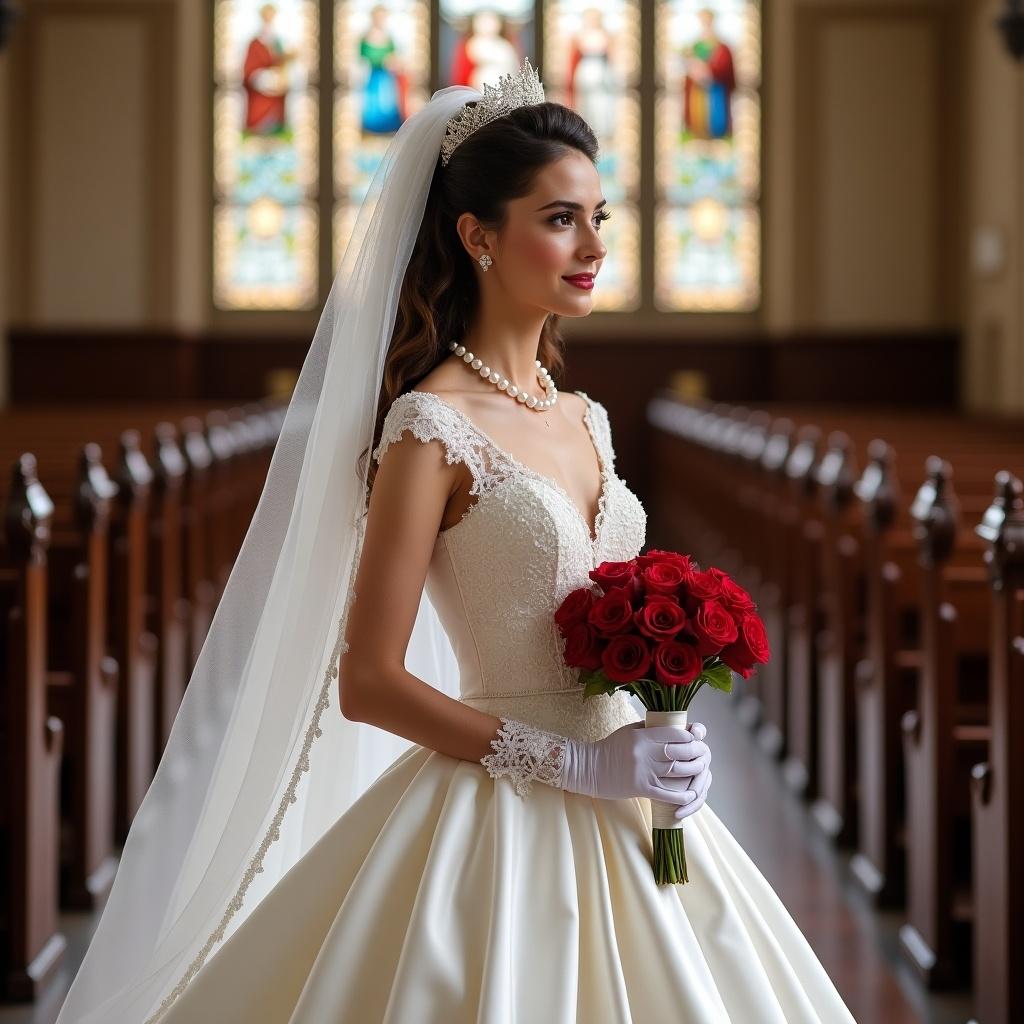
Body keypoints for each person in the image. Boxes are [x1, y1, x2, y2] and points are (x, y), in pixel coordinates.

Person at [55, 59, 857, 1023]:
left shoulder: (586, 417)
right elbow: (370, 680)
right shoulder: (429, 428)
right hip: (502, 813)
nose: (592, 243)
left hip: (637, 815)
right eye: (560, 218)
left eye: (601, 216)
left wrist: (666, 741)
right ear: (477, 234)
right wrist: (577, 765)